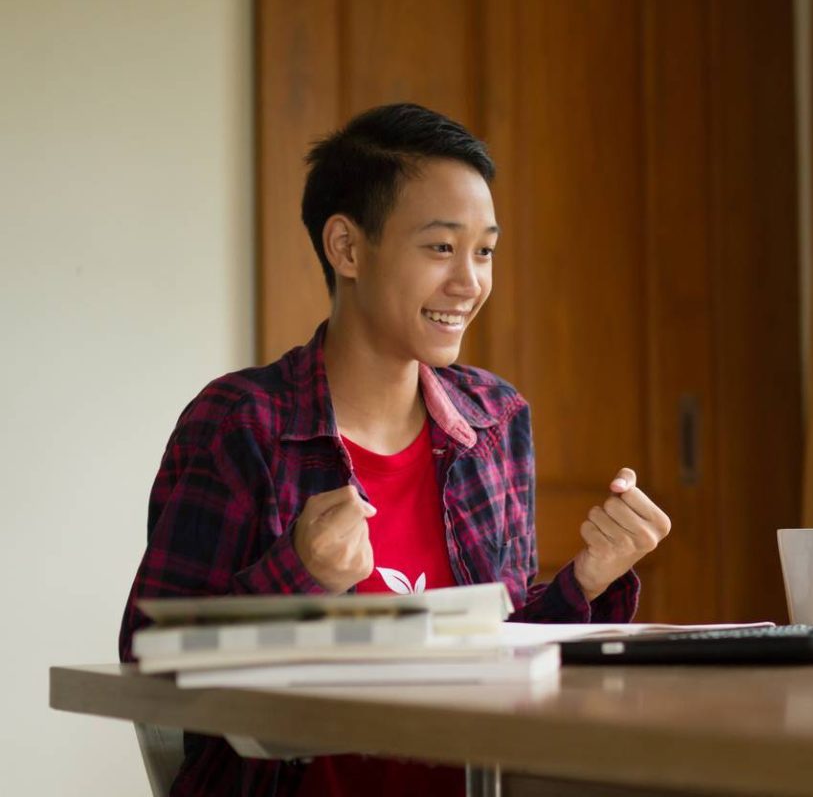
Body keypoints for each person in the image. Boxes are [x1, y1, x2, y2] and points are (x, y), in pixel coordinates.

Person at [118, 103, 672, 796]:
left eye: (485, 250)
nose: (470, 282)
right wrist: (300, 573)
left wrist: (589, 578)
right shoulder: (240, 424)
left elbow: (498, 657)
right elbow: (146, 667)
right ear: (347, 248)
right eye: (441, 247)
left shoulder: (495, 420)